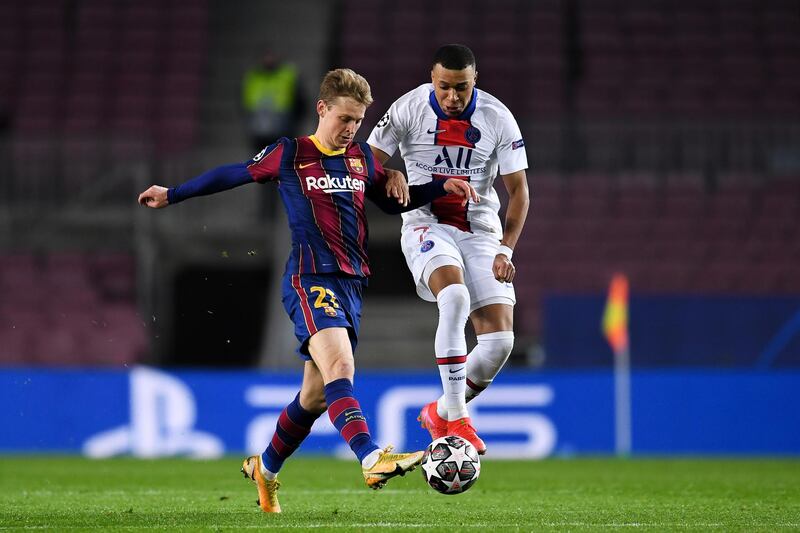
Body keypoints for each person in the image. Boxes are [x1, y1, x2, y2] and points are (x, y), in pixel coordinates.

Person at [138, 68, 479, 513]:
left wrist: (435, 185)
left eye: (358, 121)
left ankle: (266, 468)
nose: (351, 129)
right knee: (340, 365)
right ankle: (372, 457)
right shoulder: (290, 153)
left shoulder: (361, 159)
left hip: (352, 283)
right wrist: (174, 193)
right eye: (345, 119)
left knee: (316, 396)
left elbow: (395, 200)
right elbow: (234, 174)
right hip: (309, 278)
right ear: (322, 109)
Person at [367, 44, 530, 455]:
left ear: (475, 80)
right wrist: (388, 172)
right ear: (432, 78)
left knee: (499, 344)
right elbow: (365, 161)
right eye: (444, 87)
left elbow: (519, 193)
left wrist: (506, 250)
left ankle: (440, 411)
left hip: (479, 228)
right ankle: (457, 419)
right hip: (426, 222)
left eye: (461, 87)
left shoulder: (496, 116)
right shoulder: (408, 108)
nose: (452, 97)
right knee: (454, 296)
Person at [241, 51, 306, 153]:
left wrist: (295, 122)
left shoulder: (288, 75)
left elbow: (301, 100)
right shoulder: (253, 76)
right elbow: (245, 100)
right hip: (259, 126)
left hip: (283, 125)